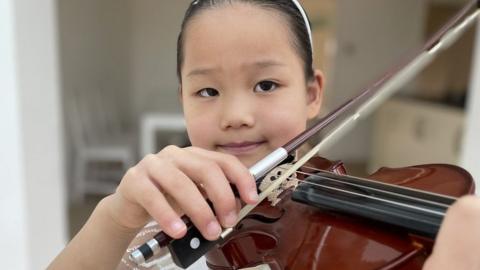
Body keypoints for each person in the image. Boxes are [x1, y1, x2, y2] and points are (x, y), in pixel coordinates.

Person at [48, 0, 480, 269]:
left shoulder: (373, 243)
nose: (236, 115)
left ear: (313, 94)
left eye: (266, 85)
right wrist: (115, 216)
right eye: (207, 91)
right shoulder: (165, 223)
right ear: (183, 99)